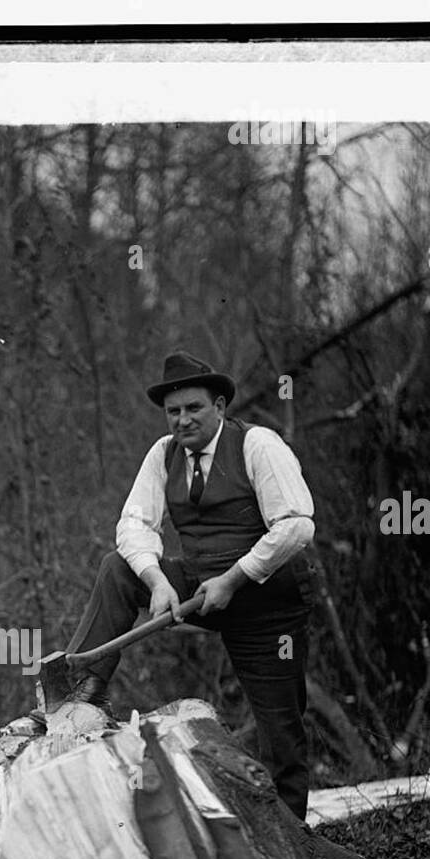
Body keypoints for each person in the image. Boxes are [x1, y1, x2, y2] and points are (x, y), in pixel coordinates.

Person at [67, 350, 317, 820]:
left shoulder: (258, 445)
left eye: (194, 408)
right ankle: (85, 688)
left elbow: (296, 526)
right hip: (203, 585)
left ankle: (292, 845)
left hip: (267, 603)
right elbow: (134, 526)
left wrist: (236, 577)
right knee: (116, 567)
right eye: (174, 411)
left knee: (281, 730)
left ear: (220, 406)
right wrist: (158, 581)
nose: (183, 420)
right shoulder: (163, 455)